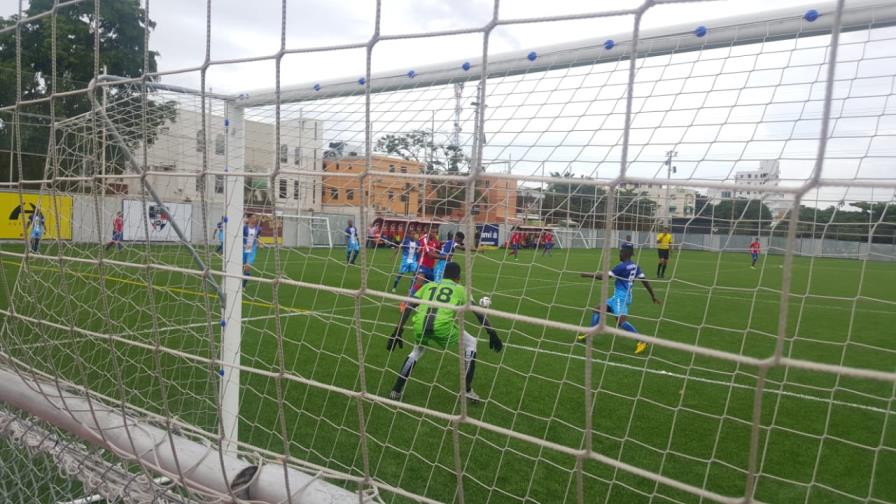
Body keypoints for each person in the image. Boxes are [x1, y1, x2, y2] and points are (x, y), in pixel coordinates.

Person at [386, 261, 503, 402]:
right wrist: (491, 333)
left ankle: (396, 390)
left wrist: (397, 331)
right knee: (471, 342)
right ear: (458, 278)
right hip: (442, 327)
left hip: (420, 325)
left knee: (416, 351)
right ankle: (466, 390)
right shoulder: (461, 289)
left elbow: (409, 305)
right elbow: (477, 312)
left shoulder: (429, 285)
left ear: (443, 274)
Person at [578, 243, 661, 354]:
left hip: (621, 298)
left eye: (621, 252)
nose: (619, 254)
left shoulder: (621, 267)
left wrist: (586, 274)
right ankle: (590, 334)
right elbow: (645, 281)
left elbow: (603, 277)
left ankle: (642, 341)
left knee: (621, 321)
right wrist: (653, 296)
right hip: (621, 296)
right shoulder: (635, 266)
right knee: (597, 310)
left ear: (626, 253)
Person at [242, 214, 262, 287]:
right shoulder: (244, 228)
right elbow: (240, 237)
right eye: (253, 217)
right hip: (243, 249)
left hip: (252, 249)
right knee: (241, 266)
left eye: (255, 217)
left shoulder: (258, 228)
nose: (255, 219)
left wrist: (259, 243)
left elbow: (257, 237)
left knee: (248, 267)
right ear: (249, 219)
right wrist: (243, 244)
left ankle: (243, 285)